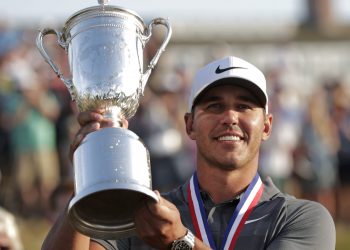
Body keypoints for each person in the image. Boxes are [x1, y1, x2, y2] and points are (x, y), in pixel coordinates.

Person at [42, 56, 336, 250]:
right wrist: (90, 177)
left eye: (244, 106)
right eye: (215, 106)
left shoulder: (301, 218)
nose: (230, 117)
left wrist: (179, 242)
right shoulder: (144, 215)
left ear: (268, 126)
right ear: (189, 125)